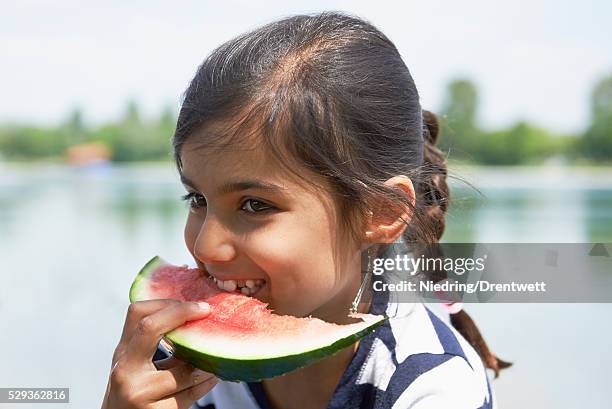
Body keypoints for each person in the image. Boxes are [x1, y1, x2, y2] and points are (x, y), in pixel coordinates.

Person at [101, 11, 511, 409]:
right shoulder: (186, 366)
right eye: (197, 200)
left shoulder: (433, 389)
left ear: (381, 212)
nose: (206, 246)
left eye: (255, 205)